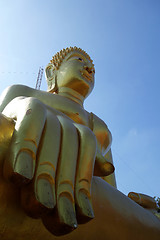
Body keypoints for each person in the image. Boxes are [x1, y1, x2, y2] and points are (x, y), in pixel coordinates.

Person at [0, 47, 159, 240]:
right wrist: (20, 107)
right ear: (52, 72)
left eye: (93, 68)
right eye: (79, 60)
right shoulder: (22, 93)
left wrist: (138, 213)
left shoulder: (100, 128)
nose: (89, 69)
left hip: (86, 200)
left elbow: (109, 187)